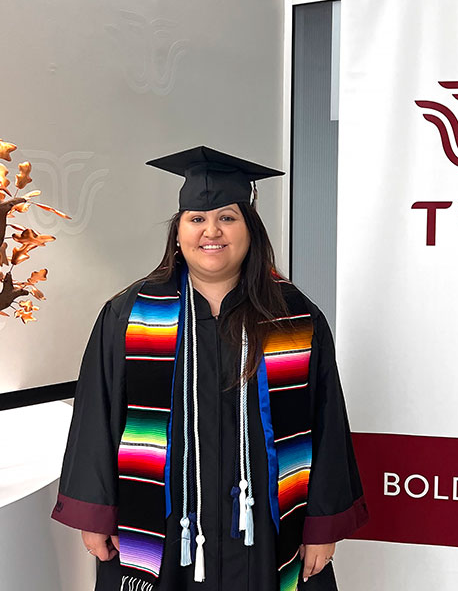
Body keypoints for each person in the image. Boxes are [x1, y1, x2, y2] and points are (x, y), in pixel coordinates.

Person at [52, 146, 368, 591]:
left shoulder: (295, 317)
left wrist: (322, 524)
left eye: (227, 218)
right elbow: (97, 416)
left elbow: (326, 420)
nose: (211, 231)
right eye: (197, 219)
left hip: (267, 529)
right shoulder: (131, 313)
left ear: (250, 230)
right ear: (178, 232)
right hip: (163, 525)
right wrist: (95, 514)